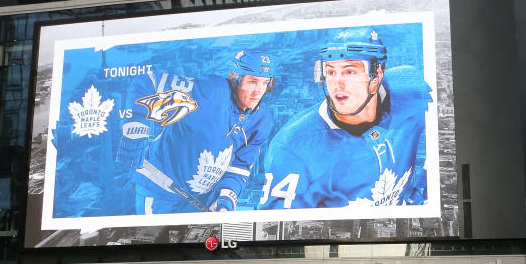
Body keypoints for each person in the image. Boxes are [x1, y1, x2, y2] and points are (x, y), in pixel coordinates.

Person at [260, 28, 431, 209]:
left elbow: (449, 129)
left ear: (376, 76)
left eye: (350, 72)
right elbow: (279, 229)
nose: (337, 84)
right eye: (331, 72)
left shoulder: (410, 89)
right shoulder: (293, 147)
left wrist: (425, 192)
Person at [123, 49, 277, 215]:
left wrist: (225, 196)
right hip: (159, 193)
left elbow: (241, 165)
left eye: (265, 83)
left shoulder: (262, 120)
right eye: (253, 82)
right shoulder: (210, 91)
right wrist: (136, 128)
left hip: (198, 202)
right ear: (235, 79)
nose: (258, 91)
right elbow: (147, 82)